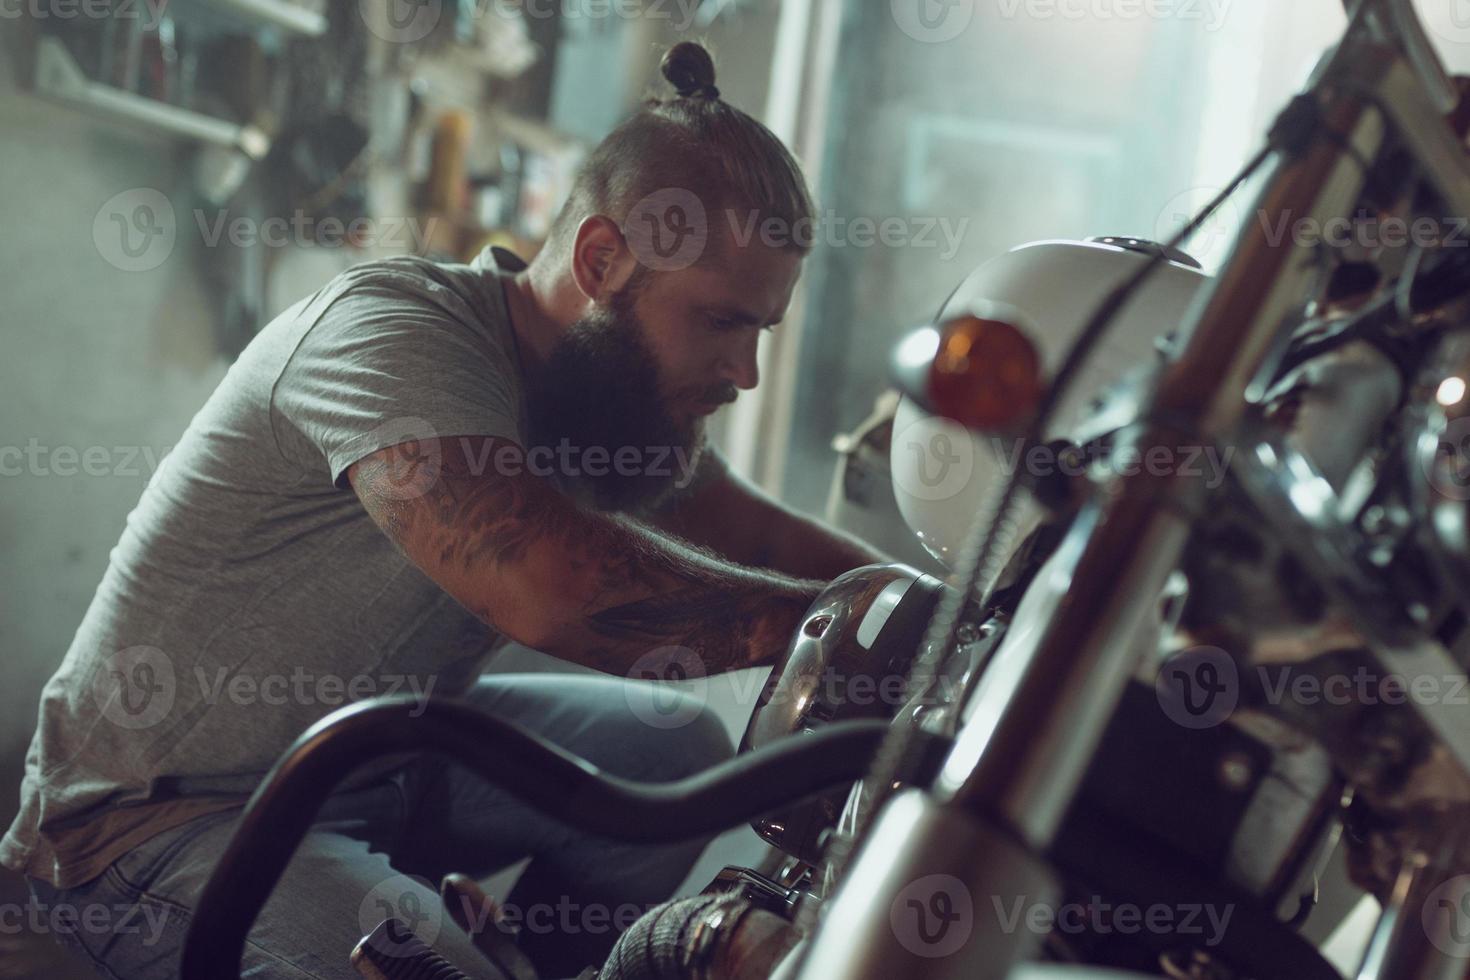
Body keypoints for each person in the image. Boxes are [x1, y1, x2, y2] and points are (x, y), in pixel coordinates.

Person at [4, 41, 886, 979]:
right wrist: (834, 630)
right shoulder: (392, 331)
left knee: (675, 753)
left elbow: (755, 535)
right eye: (722, 323)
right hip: (151, 823)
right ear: (603, 260)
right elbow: (549, 589)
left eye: (762, 329)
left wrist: (938, 606)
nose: (746, 374)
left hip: (369, 761)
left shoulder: (594, 394)